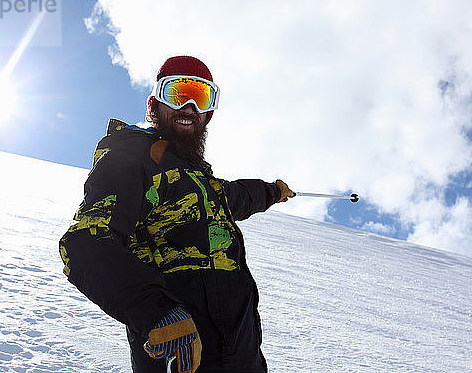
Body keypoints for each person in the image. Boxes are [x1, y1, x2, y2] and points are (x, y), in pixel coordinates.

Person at [59, 55, 295, 372]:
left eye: (201, 98)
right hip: (178, 352)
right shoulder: (132, 157)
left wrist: (274, 191)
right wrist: (157, 313)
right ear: (154, 102)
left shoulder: (205, 184)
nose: (189, 109)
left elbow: (242, 195)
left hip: (243, 355)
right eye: (178, 94)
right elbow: (86, 241)